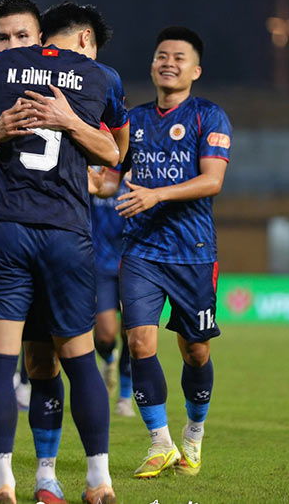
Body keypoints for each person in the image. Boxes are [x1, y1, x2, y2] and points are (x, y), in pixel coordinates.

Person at [0, 1, 128, 504]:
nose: (11, 46)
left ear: (40, 39)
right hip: (52, 235)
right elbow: (115, 153)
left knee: (31, 361)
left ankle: (31, 478)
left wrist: (71, 127)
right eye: (1, 38)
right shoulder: (91, 79)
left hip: (11, 231)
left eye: (21, 36)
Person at [116, 26, 231, 479]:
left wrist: (157, 194)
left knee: (195, 351)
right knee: (138, 343)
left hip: (193, 252)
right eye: (162, 55)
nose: (168, 62)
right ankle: (160, 443)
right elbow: (113, 175)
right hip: (141, 250)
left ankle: (193, 435)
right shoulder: (134, 120)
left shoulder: (209, 116)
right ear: (152, 65)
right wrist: (94, 182)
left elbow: (213, 180)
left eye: (179, 57)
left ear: (195, 70)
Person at [89, 167, 135, 416]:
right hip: (101, 264)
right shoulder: (93, 171)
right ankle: (108, 358)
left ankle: (125, 397)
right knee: (105, 335)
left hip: (132, 263)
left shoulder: (135, 175)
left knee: (132, 332)